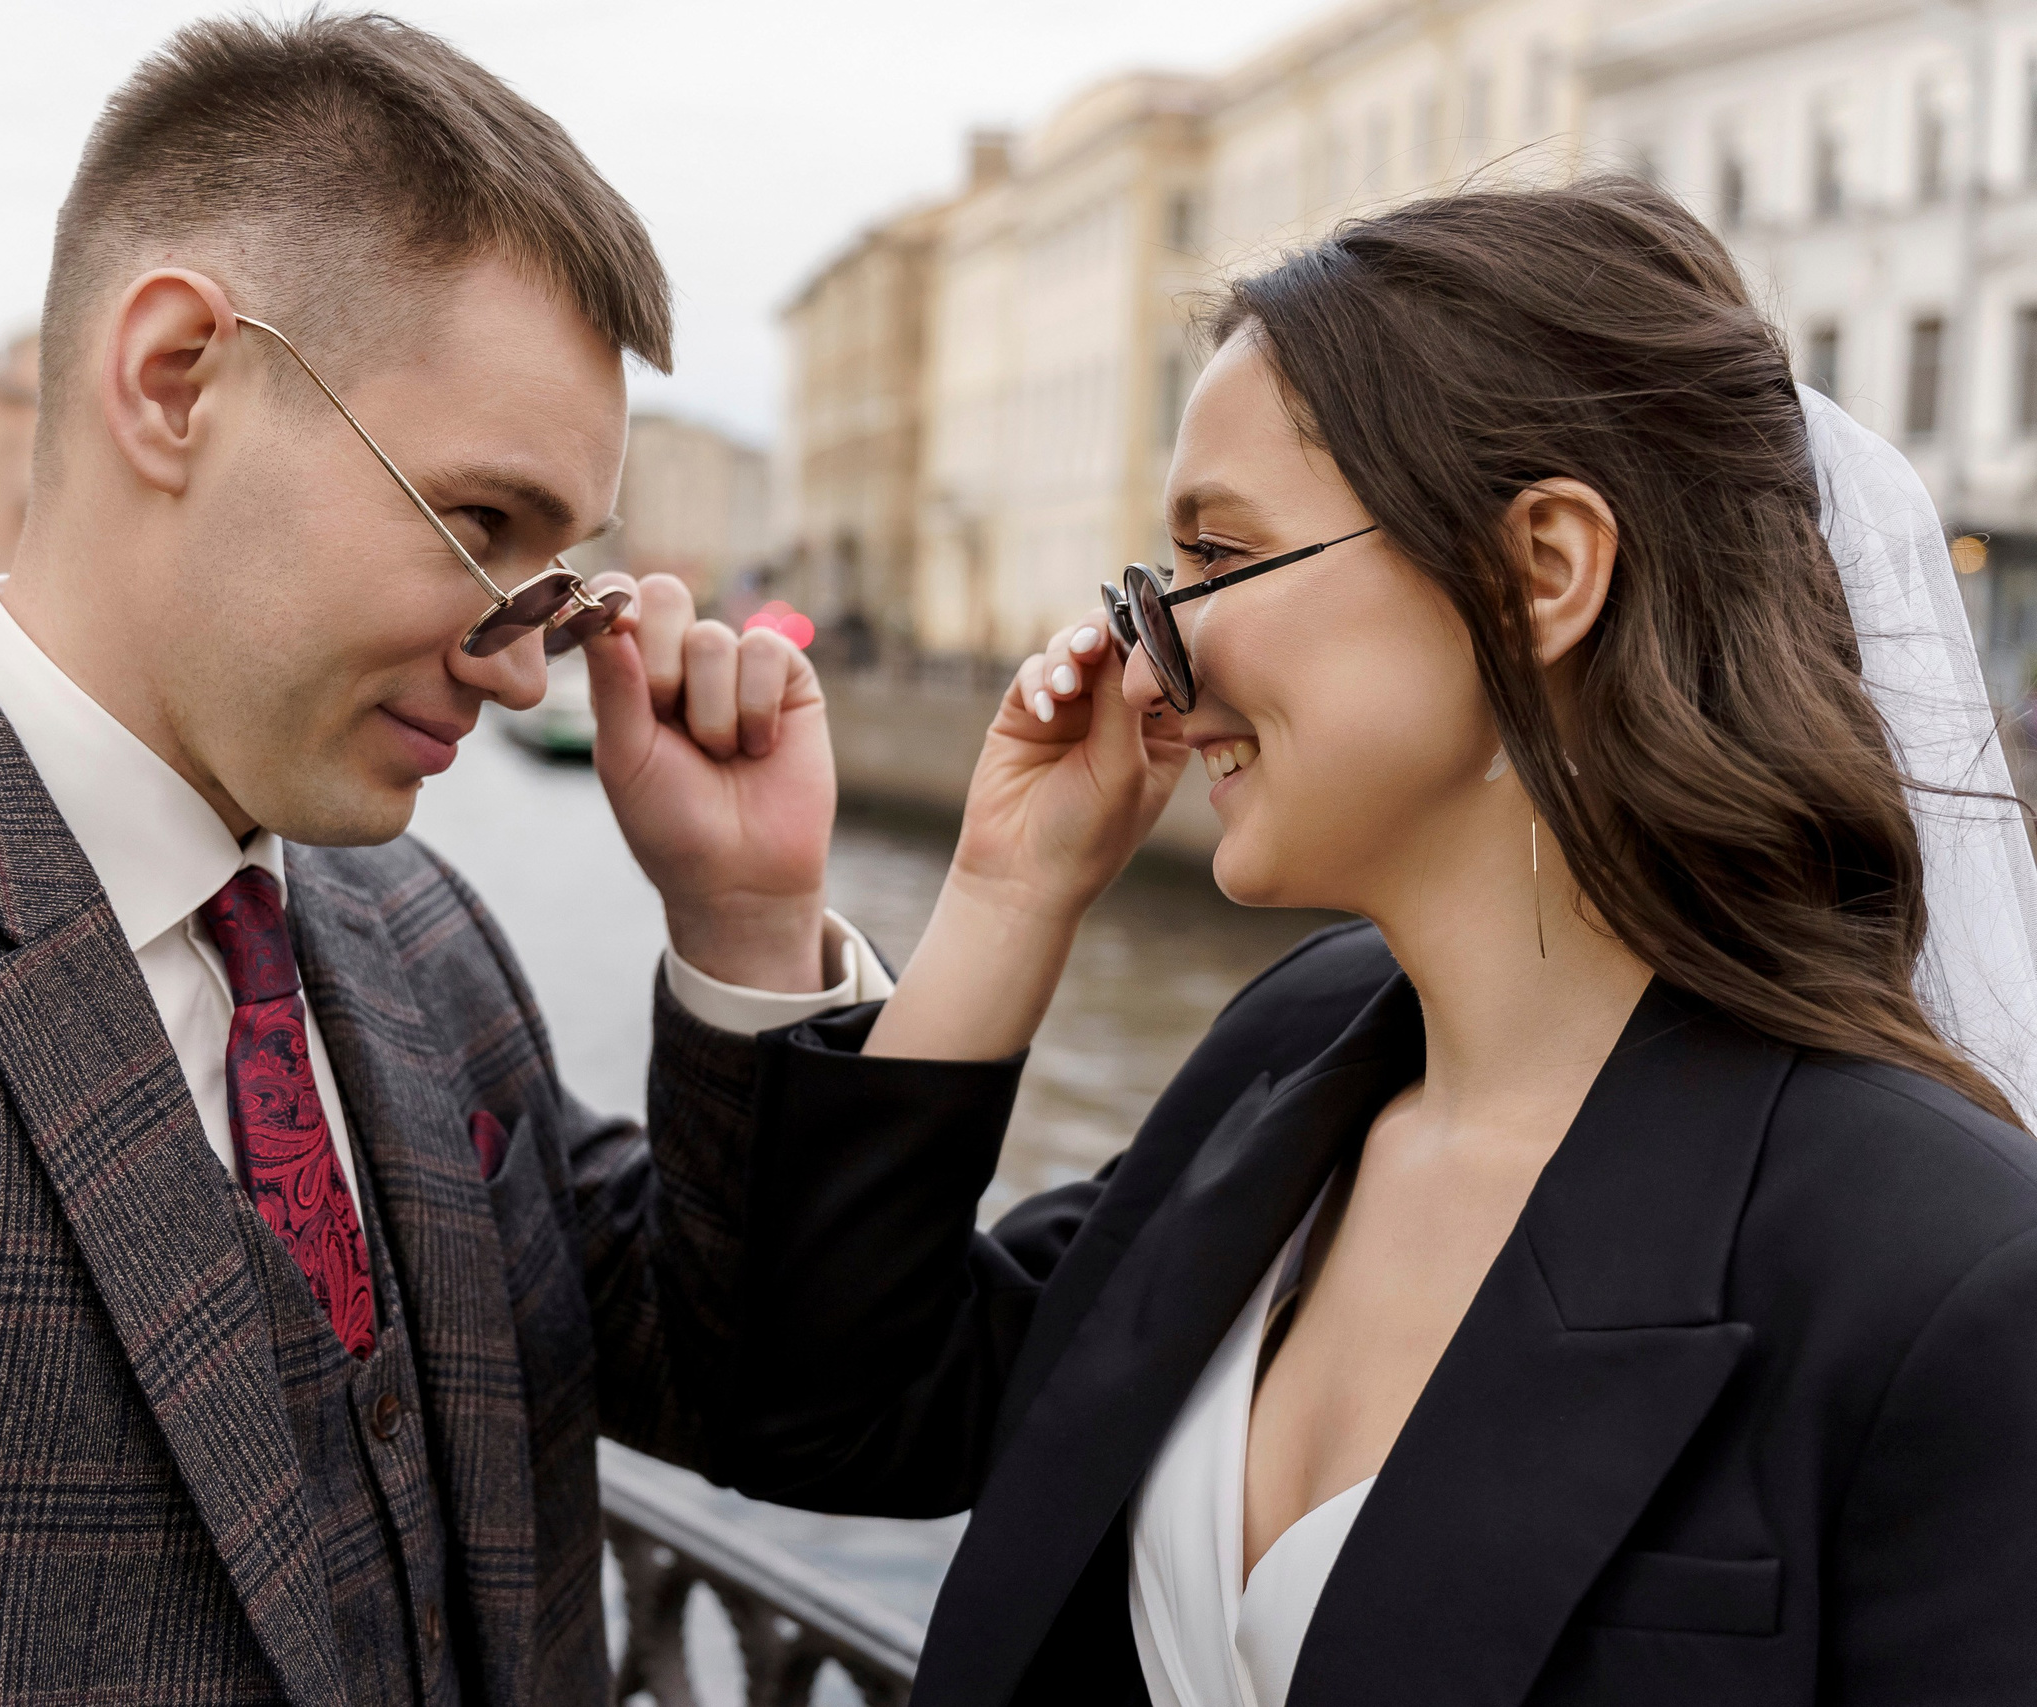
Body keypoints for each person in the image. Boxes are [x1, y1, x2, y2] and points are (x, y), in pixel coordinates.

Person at [0, 15, 897, 1702]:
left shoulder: (415, 925)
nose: (528, 662)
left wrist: (744, 919)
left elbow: (772, 1397)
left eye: (557, 569)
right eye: (481, 527)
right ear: (175, 381)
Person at [670, 180, 2037, 1705]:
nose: (1147, 657)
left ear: (1539, 577)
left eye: (1212, 558)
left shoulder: (1955, 1264)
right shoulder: (1295, 1053)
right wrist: (1006, 896)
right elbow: (823, 1410)